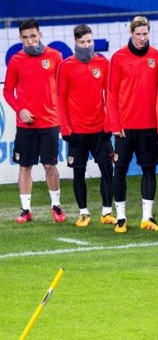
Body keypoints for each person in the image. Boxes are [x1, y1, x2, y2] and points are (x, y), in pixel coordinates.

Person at [3, 18, 65, 224]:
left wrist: (62, 118)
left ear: (40, 35)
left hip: (49, 122)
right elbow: (7, 91)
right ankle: (26, 210)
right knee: (24, 168)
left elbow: (64, 90)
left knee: (50, 166)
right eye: (25, 37)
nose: (30, 41)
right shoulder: (16, 61)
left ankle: (56, 206)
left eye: (33, 36)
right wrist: (20, 110)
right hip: (25, 126)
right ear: (20, 38)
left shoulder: (55, 57)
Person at [107, 16, 158, 233]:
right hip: (124, 128)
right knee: (119, 170)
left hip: (150, 126)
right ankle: (120, 217)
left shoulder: (157, 57)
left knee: (149, 170)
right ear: (131, 34)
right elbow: (111, 93)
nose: (142, 38)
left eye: (145, 34)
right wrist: (114, 123)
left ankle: (147, 217)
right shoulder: (118, 57)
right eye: (138, 34)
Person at [57, 24, 115, 228]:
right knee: (78, 173)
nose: (86, 45)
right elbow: (60, 99)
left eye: (89, 41)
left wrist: (110, 124)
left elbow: (110, 95)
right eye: (82, 42)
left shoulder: (103, 62)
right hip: (76, 132)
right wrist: (65, 128)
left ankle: (107, 212)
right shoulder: (66, 66)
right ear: (75, 42)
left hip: (100, 129)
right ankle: (83, 213)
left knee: (108, 170)